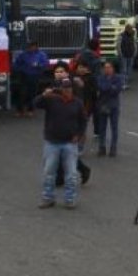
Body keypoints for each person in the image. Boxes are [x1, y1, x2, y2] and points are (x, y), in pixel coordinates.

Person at [34, 77, 87, 209]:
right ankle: (48, 198)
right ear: (61, 89)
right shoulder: (51, 100)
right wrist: (43, 95)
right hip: (52, 142)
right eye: (64, 88)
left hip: (70, 143)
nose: (67, 90)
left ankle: (70, 199)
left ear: (72, 89)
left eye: (69, 88)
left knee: (71, 174)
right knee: (49, 172)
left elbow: (83, 121)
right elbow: (36, 104)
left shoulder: (78, 103)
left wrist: (79, 135)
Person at [94, 61, 125, 157]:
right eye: (105, 67)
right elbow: (102, 88)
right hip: (103, 105)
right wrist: (111, 86)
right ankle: (102, 147)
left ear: (113, 68)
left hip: (114, 106)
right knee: (102, 128)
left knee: (114, 128)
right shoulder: (100, 78)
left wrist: (108, 87)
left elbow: (117, 90)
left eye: (109, 67)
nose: (107, 69)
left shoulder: (119, 78)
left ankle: (113, 147)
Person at [12, 41, 48, 117]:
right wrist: (20, 70)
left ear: (36, 46)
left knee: (32, 93)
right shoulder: (23, 54)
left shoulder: (41, 54)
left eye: (32, 46)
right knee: (22, 93)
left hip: (35, 76)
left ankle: (30, 110)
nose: (31, 48)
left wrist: (38, 65)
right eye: (29, 46)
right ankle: (20, 110)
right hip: (24, 76)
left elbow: (45, 64)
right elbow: (16, 64)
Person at [118, 23, 137, 88]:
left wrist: (135, 52)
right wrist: (120, 53)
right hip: (124, 55)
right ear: (126, 29)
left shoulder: (132, 35)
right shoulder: (121, 35)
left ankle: (125, 82)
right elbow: (118, 45)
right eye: (129, 29)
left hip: (131, 55)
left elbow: (134, 44)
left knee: (129, 70)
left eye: (131, 29)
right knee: (124, 70)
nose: (130, 30)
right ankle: (122, 83)